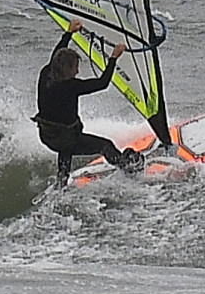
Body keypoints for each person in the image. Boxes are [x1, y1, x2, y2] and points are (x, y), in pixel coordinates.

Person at [35, 25, 144, 179]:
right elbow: (102, 83)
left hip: (48, 136)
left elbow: (56, 55)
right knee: (105, 146)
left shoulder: (45, 73)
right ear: (67, 69)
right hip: (66, 138)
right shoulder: (71, 86)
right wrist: (113, 58)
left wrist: (69, 33)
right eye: (75, 68)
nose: (77, 72)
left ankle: (62, 177)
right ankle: (128, 168)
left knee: (64, 142)